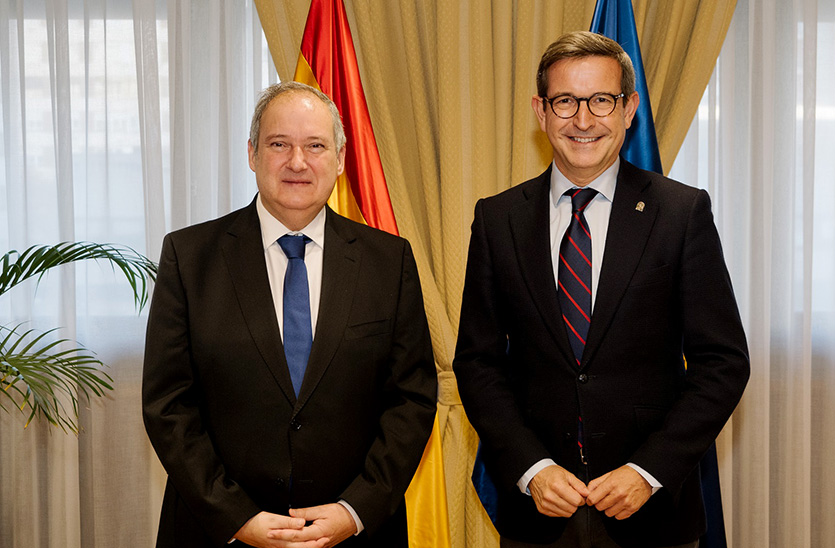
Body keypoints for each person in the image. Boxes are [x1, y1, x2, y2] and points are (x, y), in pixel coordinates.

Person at [454, 31, 750, 548]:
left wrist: (648, 471)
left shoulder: (681, 213)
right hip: (538, 511)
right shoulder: (497, 218)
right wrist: (531, 467)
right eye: (566, 101)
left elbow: (722, 363)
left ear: (629, 108)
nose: (583, 120)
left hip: (653, 513)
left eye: (601, 100)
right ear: (540, 111)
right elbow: (478, 363)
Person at [142, 81, 437, 548]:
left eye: (315, 146)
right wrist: (236, 516)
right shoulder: (189, 255)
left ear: (340, 158)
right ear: (252, 154)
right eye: (279, 144)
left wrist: (354, 510)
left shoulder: (389, 261)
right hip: (219, 531)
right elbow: (168, 405)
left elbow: (412, 399)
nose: (297, 162)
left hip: (354, 533)